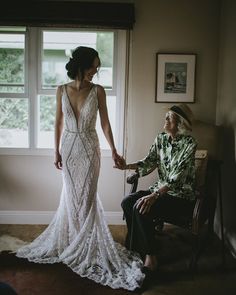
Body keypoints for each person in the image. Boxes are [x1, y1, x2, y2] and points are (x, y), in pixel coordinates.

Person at [16, 46, 144, 290]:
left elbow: (105, 123)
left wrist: (114, 150)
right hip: (69, 147)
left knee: (86, 198)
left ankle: (86, 246)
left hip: (89, 149)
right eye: (94, 65)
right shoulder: (61, 90)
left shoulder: (98, 91)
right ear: (82, 65)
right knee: (72, 197)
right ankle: (75, 241)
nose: (97, 70)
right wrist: (56, 151)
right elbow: (58, 122)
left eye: (97, 66)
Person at [116, 104, 197, 273]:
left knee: (141, 207)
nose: (165, 119)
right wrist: (126, 166)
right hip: (159, 191)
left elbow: (178, 176)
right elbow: (148, 162)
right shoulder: (160, 139)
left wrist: (155, 196)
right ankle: (137, 248)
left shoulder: (190, 143)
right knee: (127, 202)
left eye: (169, 117)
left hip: (180, 196)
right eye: (166, 116)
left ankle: (151, 257)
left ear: (180, 123)